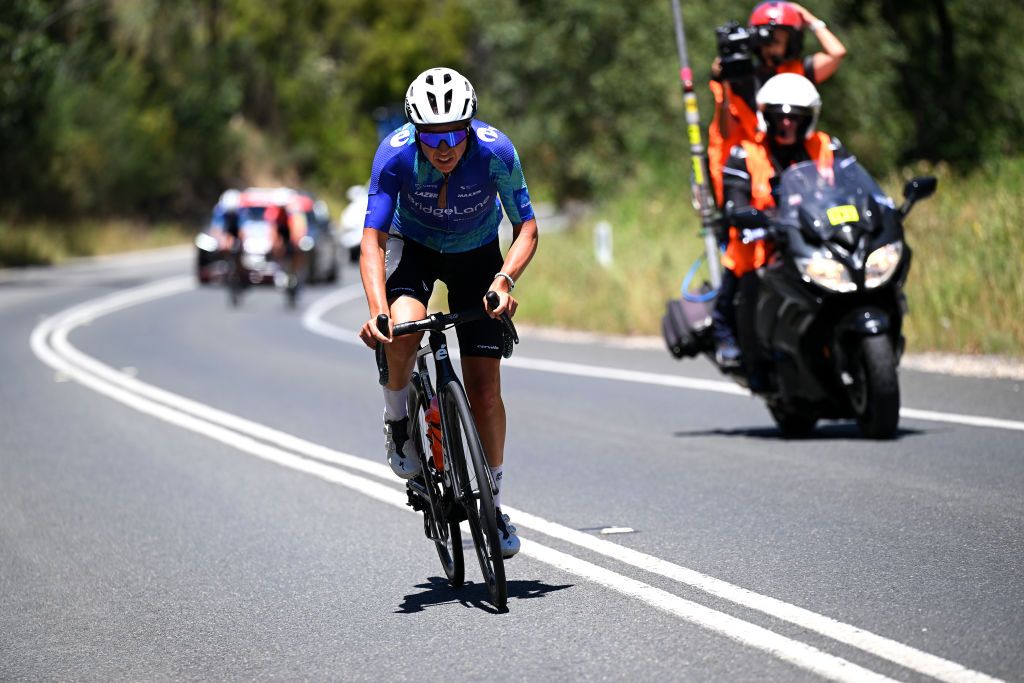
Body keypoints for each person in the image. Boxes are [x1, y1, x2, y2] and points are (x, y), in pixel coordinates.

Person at [357, 67, 539, 559]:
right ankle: (398, 421)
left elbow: (527, 228)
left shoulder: (496, 151)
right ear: (416, 132)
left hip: (476, 254)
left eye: (454, 135)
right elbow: (371, 241)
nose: (443, 147)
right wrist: (377, 310)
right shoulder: (394, 155)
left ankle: (494, 508)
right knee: (403, 329)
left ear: (469, 129)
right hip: (411, 246)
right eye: (432, 137)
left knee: (485, 390)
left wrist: (504, 280)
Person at [708, 1, 847, 367]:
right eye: (773, 37)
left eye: (786, 37)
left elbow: (838, 52)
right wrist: (723, 85)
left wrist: (811, 19)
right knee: (744, 256)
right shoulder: (741, 78)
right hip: (750, 170)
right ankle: (727, 330)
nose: (778, 45)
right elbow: (723, 130)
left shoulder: (798, 72)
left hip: (795, 165)